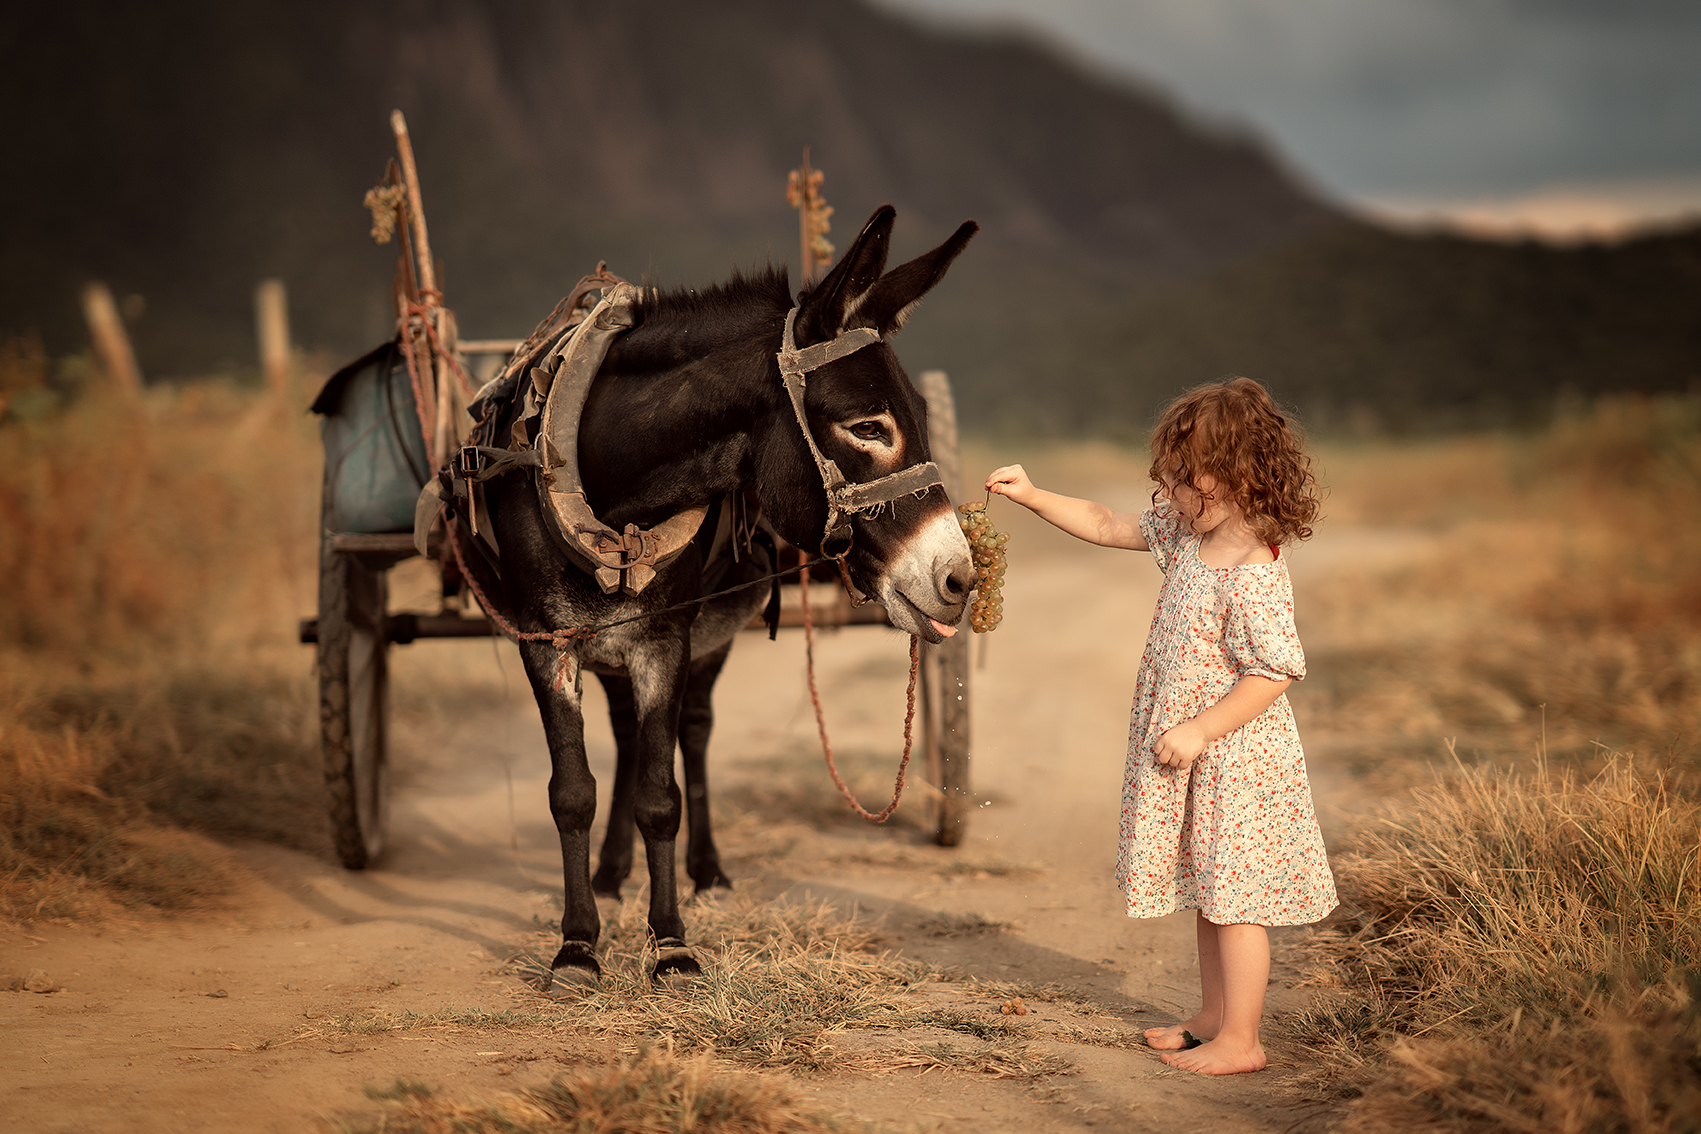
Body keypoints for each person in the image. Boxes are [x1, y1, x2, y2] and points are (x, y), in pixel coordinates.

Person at [985, 377, 1337, 1076]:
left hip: (1235, 757)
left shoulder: (1252, 567)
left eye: (1182, 481)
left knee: (1236, 899)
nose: (1168, 496)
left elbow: (1273, 672)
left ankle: (1242, 1039)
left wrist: (1202, 729)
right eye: (1169, 481)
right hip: (1197, 753)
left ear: (1234, 476)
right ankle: (1212, 1017)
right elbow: (1103, 521)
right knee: (1210, 889)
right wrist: (1030, 493)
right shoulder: (1185, 536)